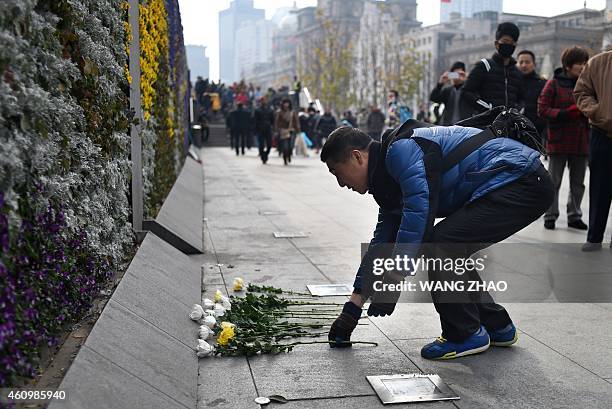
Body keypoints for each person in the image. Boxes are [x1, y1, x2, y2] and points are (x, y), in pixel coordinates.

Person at [321, 121, 553, 359]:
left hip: (521, 180)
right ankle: (497, 326)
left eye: (337, 172)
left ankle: (464, 334)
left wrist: (393, 281)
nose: (340, 184)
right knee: (448, 245)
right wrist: (351, 310)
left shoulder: (401, 152)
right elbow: (380, 246)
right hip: (517, 181)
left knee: (440, 244)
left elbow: (418, 218)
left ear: (357, 156)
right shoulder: (386, 182)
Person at [538, 46, 590, 231]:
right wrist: (565, 113)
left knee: (578, 183)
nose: (583, 67)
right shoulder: (553, 83)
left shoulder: (587, 84)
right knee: (554, 181)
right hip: (559, 140)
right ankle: (550, 215)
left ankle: (574, 215)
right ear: (568, 65)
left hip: (581, 140)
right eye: (579, 63)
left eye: (585, 63)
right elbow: (542, 109)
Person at [574, 50, 612, 251]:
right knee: (599, 187)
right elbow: (581, 92)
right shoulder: (598, 62)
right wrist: (599, 112)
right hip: (602, 134)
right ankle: (594, 237)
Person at [462, 22, 524, 113]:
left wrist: (517, 111)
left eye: (512, 43)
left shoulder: (517, 72)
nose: (509, 45)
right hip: (486, 123)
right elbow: (467, 91)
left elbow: (521, 98)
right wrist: (488, 109)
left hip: (509, 124)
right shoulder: (484, 66)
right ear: (496, 44)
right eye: (505, 41)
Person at [516, 50, 547, 140]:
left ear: (534, 64)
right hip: (515, 129)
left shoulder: (543, 83)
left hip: (537, 131)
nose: (524, 65)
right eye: (521, 62)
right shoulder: (512, 83)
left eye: (527, 62)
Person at [429, 61, 471, 125]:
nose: (456, 76)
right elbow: (434, 98)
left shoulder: (469, 89)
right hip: (447, 126)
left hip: (464, 126)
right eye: (454, 74)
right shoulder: (448, 90)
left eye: (459, 74)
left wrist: (467, 81)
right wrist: (440, 84)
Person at [275, 98, 300, 165]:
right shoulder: (280, 112)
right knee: (285, 146)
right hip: (283, 131)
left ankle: (289, 154)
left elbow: (296, 121)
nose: (286, 104)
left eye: (287, 103)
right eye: (285, 103)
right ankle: (285, 158)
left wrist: (298, 130)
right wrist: (277, 130)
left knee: (291, 146)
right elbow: (277, 122)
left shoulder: (293, 112)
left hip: (291, 130)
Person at [254, 98, 275, 164]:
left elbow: (272, 120)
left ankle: (266, 154)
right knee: (261, 144)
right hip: (260, 129)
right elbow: (255, 121)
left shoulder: (270, 110)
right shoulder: (257, 110)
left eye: (265, 100)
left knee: (269, 144)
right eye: (263, 101)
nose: (264, 102)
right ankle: (263, 156)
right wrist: (255, 129)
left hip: (268, 129)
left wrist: (273, 128)